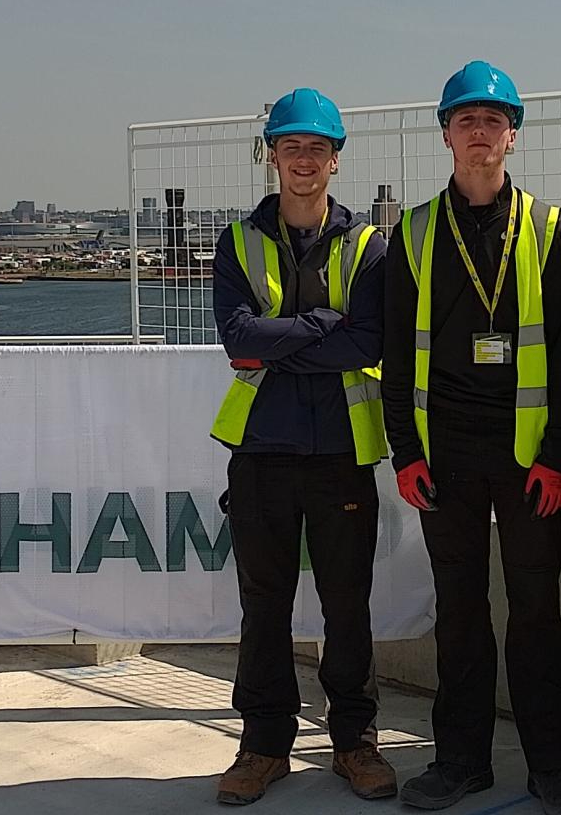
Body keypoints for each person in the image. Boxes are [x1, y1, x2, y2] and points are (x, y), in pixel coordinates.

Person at [382, 61, 561, 815]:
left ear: (513, 136)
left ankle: (551, 766)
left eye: (493, 121)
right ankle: (460, 760)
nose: (480, 132)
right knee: (460, 613)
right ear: (446, 135)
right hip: (448, 458)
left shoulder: (546, 228)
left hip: (528, 455)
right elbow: (397, 355)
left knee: (537, 613)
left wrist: (557, 453)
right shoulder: (411, 233)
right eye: (466, 120)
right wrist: (405, 452)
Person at [209, 88, 397, 806]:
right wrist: (324, 326)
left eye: (317, 149)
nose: (304, 161)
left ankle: (355, 742)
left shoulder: (368, 245)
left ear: (336, 160)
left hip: (341, 452)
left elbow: (370, 339)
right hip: (260, 451)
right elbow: (238, 339)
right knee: (265, 603)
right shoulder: (239, 240)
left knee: (347, 604)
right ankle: (262, 746)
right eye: (291, 148)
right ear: (272, 157)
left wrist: (281, 341)